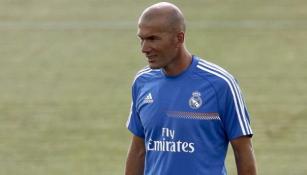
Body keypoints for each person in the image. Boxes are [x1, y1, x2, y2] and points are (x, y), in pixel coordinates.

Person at [125, 2, 257, 175]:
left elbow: (243, 152)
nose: (144, 48)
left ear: (179, 38)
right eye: (141, 39)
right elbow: (138, 149)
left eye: (153, 39)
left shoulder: (220, 84)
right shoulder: (142, 82)